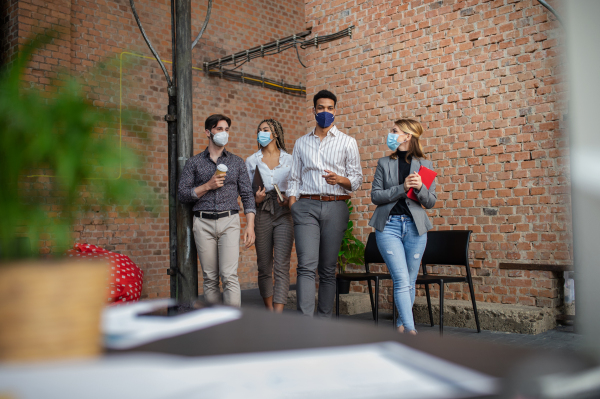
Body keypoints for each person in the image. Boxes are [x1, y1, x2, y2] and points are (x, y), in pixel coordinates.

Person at [287, 90, 363, 318]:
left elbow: (357, 179)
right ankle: (305, 324)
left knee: (328, 269)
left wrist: (340, 179)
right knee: (306, 266)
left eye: (330, 108)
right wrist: (293, 205)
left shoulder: (348, 143)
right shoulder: (301, 143)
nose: (325, 112)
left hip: (336, 206)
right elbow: (294, 178)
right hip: (306, 207)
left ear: (335, 111)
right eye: (321, 108)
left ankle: (324, 322)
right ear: (314, 110)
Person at [178, 114, 256, 307]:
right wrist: (208, 185)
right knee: (210, 278)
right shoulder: (194, 163)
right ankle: (214, 325)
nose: (224, 133)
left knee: (229, 276)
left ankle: (233, 325)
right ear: (208, 132)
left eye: (226, 130)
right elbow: (182, 194)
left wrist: (250, 226)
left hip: (229, 221)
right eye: (219, 129)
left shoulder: (237, 162)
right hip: (202, 223)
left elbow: (247, 195)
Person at [369, 119, 437, 334]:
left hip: (415, 228)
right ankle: (411, 330)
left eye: (394, 131)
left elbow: (430, 201)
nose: (391, 134)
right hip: (388, 226)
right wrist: (402, 187)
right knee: (400, 279)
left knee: (410, 280)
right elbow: (376, 196)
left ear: (407, 136)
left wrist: (419, 189)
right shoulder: (384, 163)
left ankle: (400, 326)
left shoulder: (425, 165)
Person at [246, 119, 294, 313]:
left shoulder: (290, 159)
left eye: (265, 130)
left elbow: (296, 186)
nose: (261, 133)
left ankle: (278, 314)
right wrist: (256, 200)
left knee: (282, 265)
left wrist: (289, 199)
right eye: (259, 130)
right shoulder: (252, 160)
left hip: (284, 211)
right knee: (264, 265)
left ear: (276, 134)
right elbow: (247, 194)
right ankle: (269, 312)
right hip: (262, 211)